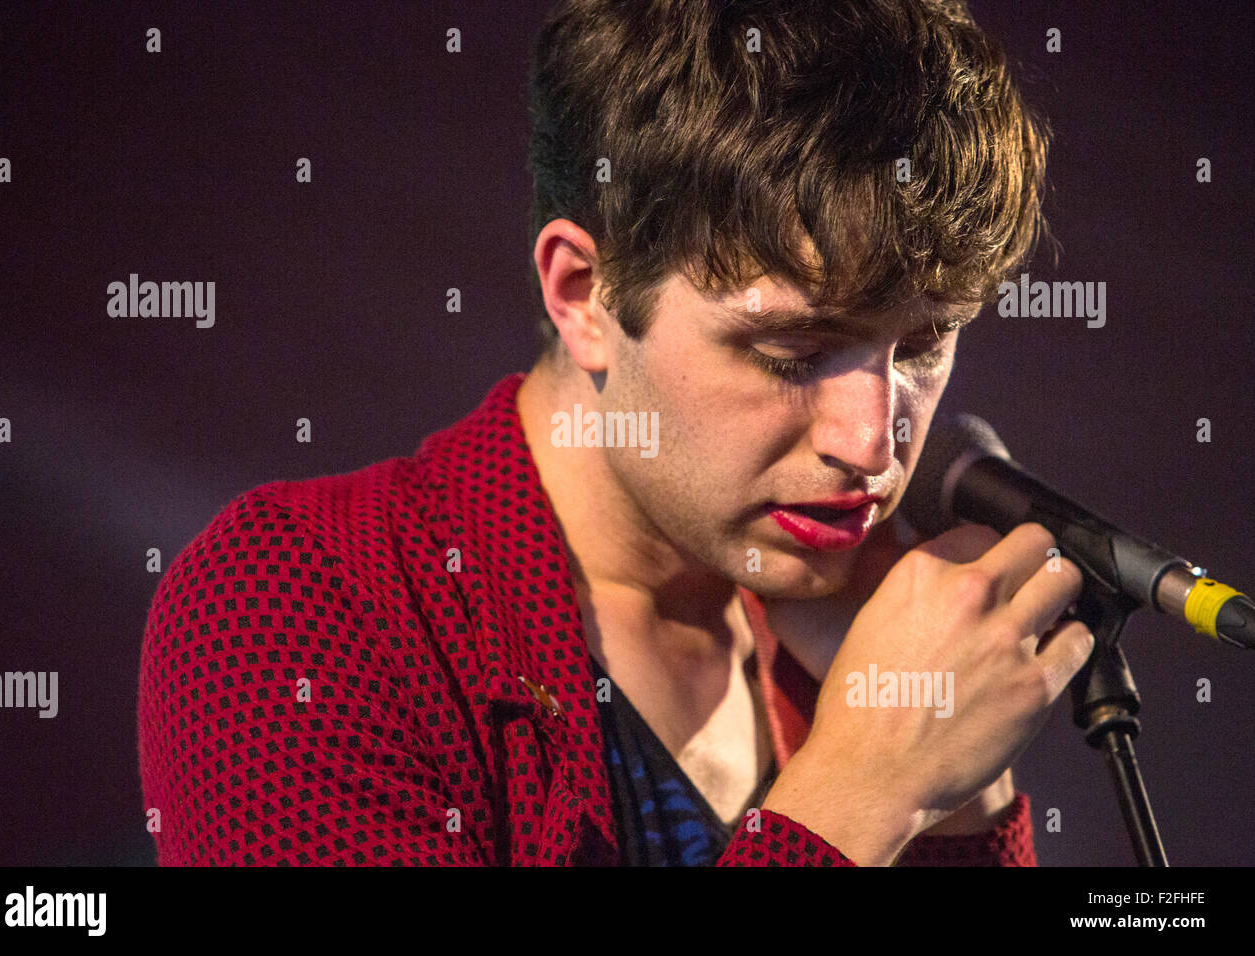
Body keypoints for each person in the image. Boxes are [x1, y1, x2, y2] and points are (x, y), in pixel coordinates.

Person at [138, 0, 1094, 866]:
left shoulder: (866, 618)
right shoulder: (296, 600)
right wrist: (858, 796)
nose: (872, 444)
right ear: (584, 296)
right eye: (795, 350)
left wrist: (965, 805)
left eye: (924, 344)